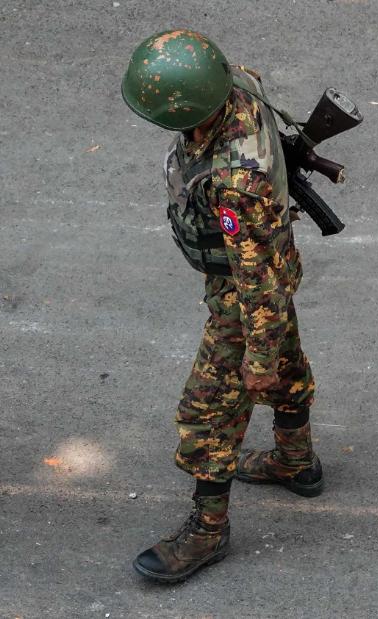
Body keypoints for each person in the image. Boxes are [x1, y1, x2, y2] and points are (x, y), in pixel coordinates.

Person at [121, 30, 324, 583]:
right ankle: (295, 461)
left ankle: (207, 532)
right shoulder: (233, 83)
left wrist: (254, 358)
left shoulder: (237, 184)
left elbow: (257, 284)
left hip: (246, 291)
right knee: (285, 359)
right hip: (270, 263)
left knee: (208, 411)